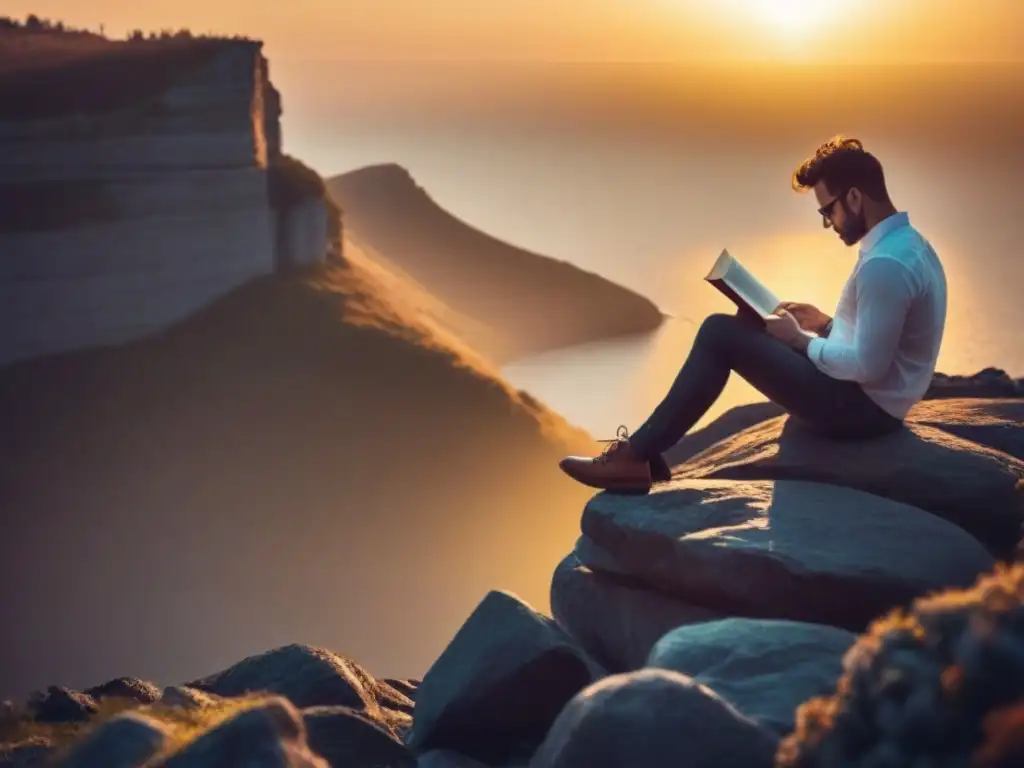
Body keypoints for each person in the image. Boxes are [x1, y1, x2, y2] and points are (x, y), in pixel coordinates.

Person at [559, 136, 948, 494]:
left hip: (860, 413)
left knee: (718, 334)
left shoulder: (886, 265)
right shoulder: (909, 246)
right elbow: (884, 343)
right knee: (747, 324)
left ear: (854, 198)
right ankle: (649, 455)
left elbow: (868, 366)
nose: (828, 223)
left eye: (828, 210)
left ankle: (634, 458)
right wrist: (825, 325)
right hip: (872, 401)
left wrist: (798, 340)